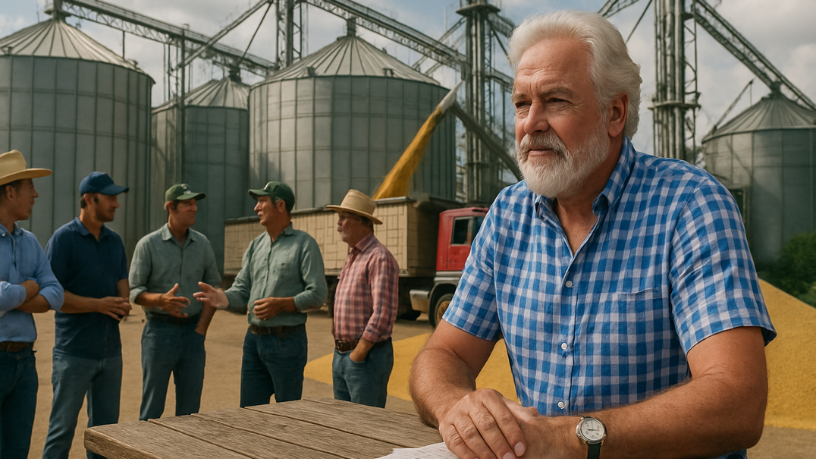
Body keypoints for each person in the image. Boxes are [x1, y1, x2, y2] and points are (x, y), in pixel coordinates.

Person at [409, 11, 775, 459]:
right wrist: (456, 407)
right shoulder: (508, 215)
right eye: (521, 104)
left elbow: (738, 402)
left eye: (555, 101)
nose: (531, 123)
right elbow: (444, 354)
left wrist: (568, 439)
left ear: (614, 113)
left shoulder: (688, 204)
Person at [195, 181, 327, 407]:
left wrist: (283, 304)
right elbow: (242, 289)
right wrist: (223, 298)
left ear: (280, 206)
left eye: (262, 202)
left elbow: (318, 294)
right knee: (250, 411)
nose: (256, 208)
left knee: (287, 411)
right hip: (253, 341)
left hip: (287, 341)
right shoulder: (256, 245)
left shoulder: (304, 244)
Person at [42, 171, 131, 459]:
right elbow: (53, 296)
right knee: (61, 432)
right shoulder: (63, 240)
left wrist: (123, 301)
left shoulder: (115, 241)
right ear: (90, 199)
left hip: (111, 353)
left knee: (106, 436)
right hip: (73, 353)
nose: (116, 204)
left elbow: (122, 282)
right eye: (111, 198)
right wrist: (99, 305)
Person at [129, 183, 220, 420]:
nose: (194, 208)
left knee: (190, 413)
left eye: (195, 203)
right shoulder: (148, 245)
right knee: (152, 410)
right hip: (159, 333)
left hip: (193, 334)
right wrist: (160, 300)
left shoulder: (202, 244)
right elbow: (135, 291)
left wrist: (201, 329)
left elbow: (214, 290)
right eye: (188, 204)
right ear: (171, 207)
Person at [0, 150, 63, 459]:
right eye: (30, 187)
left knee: (17, 451)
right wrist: (30, 287)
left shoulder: (30, 241)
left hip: (25, 363)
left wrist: (13, 297)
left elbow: (56, 294)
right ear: (10, 192)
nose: (36, 195)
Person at [326, 190, 399, 408]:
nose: (338, 223)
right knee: (344, 422)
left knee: (365, 423)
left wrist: (358, 354)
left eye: (344, 217)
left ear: (363, 221)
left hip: (366, 358)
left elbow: (383, 313)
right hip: (343, 354)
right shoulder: (353, 256)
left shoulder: (378, 257)